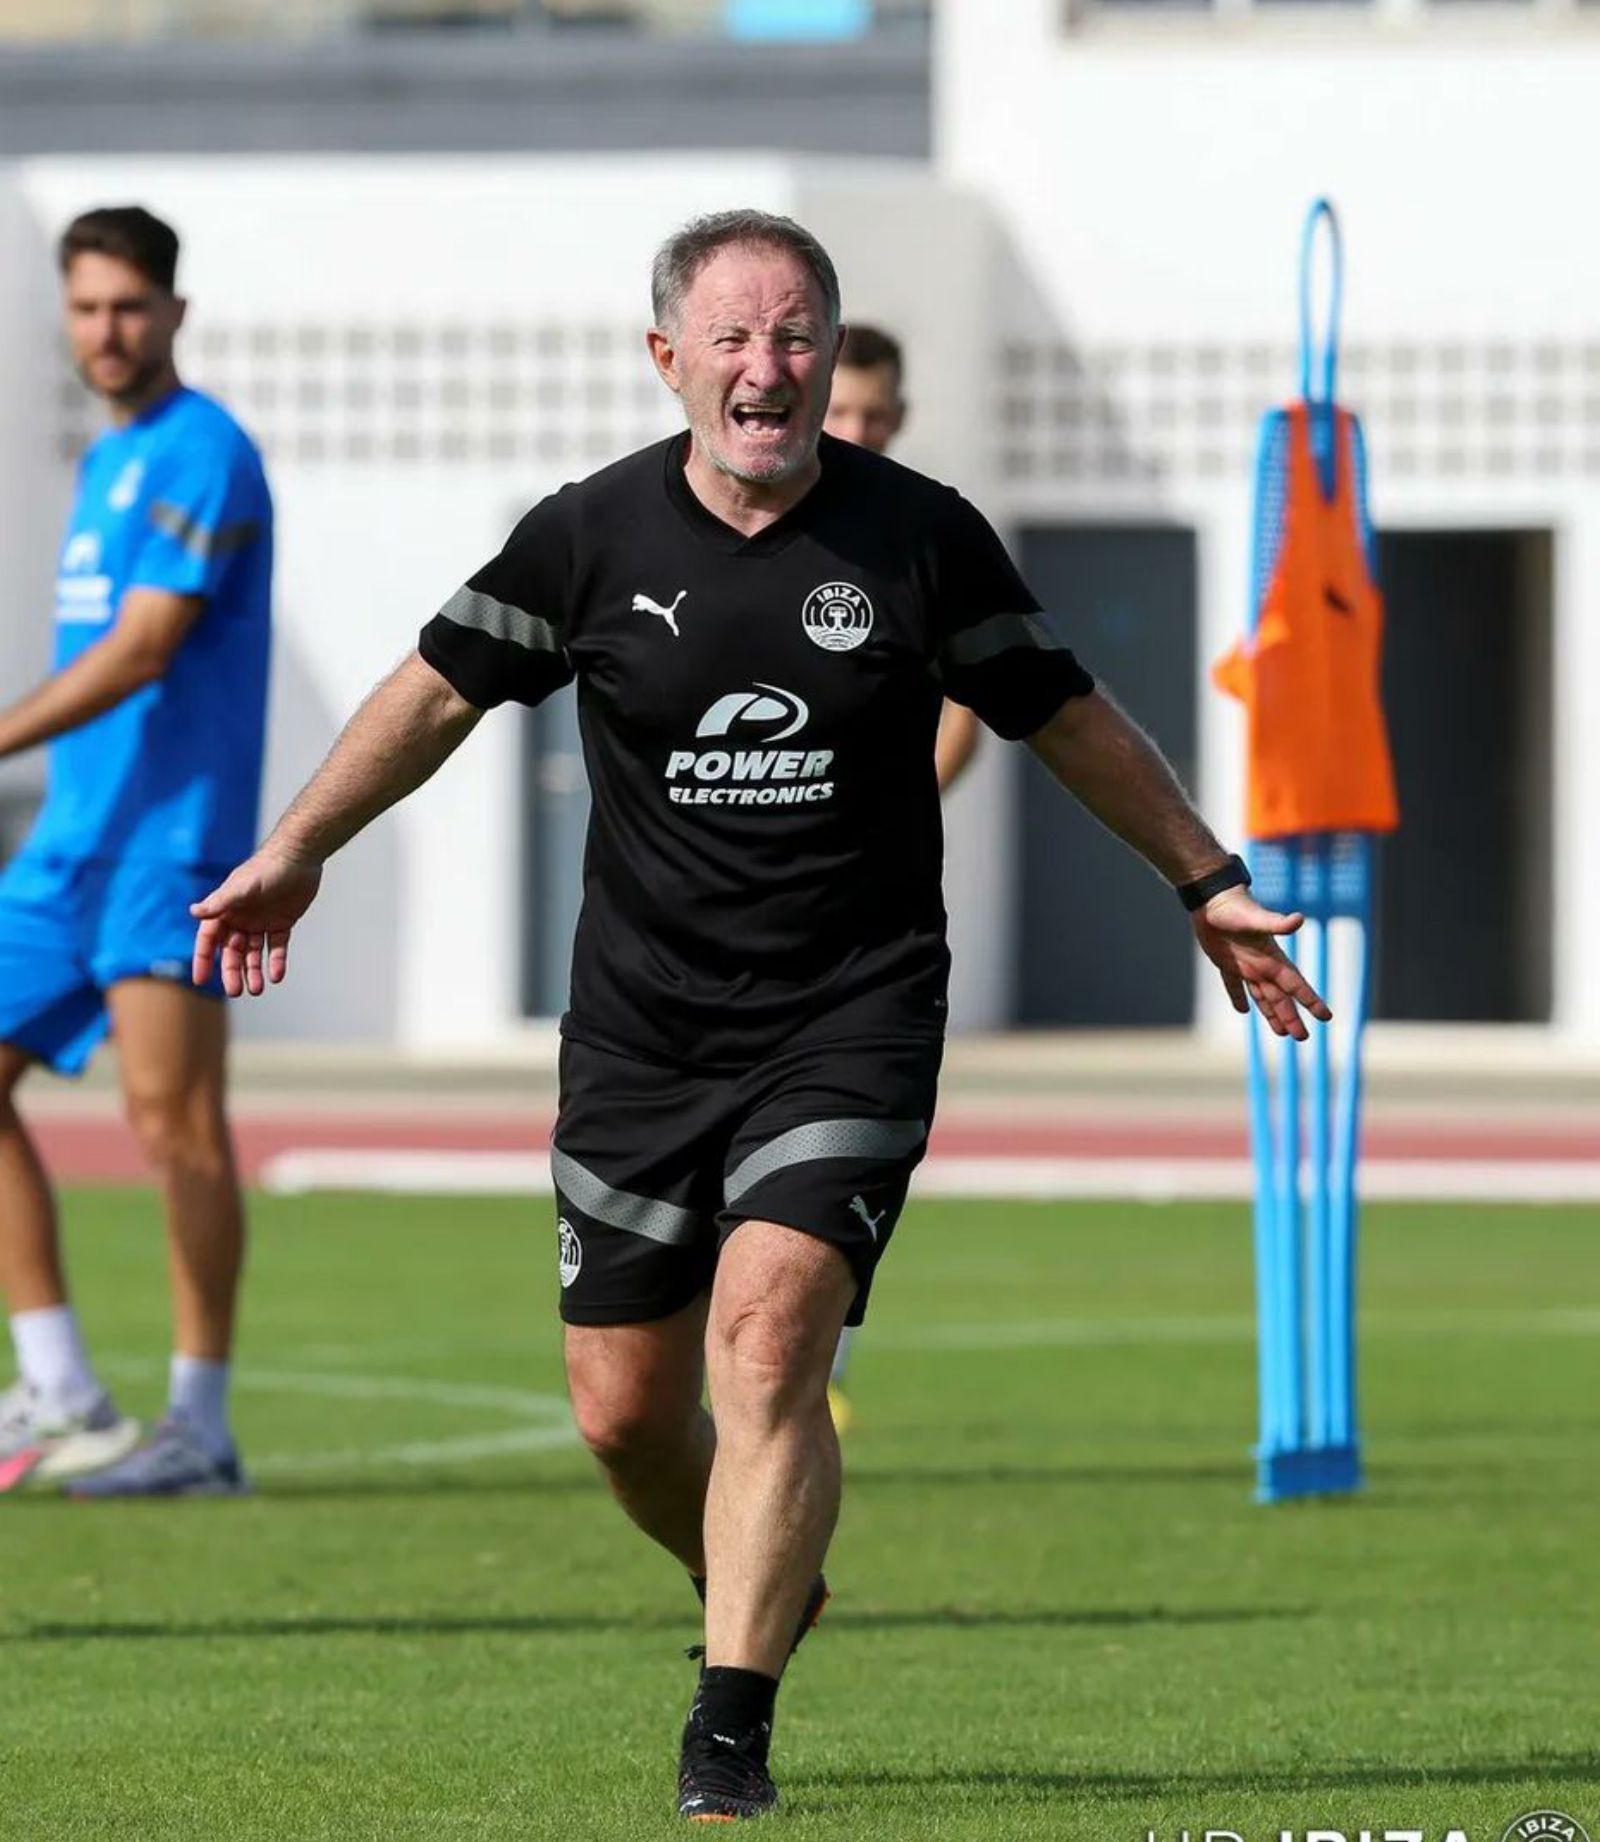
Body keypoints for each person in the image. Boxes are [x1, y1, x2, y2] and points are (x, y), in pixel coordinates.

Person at [191, 209, 1327, 1822]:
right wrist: (294, 849)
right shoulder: (584, 537)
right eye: (731, 337)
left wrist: (1204, 878)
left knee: (770, 1342)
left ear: (829, 357)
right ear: (668, 360)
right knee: (621, 1414)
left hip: (849, 1012)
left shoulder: (922, 537)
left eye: (795, 336)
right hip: (641, 1031)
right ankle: (765, 1575)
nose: (766, 368)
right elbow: (436, 691)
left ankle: (729, 1725)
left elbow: (1066, 720)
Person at [0, 206, 272, 1498]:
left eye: (129, 306)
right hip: (71, 848)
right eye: (87, 308)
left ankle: (199, 1426)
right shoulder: (105, 465)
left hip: (171, 850)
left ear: (174, 310)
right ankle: (56, 1384)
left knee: (175, 1128)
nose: (107, 330)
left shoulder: (204, 451)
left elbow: (148, 646)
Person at [821, 320, 978, 1432]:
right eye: (845, 413)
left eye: (878, 416)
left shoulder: (924, 536)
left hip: (868, 915)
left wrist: (881, 808)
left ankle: (805, 1364)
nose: (861, 432)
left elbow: (976, 706)